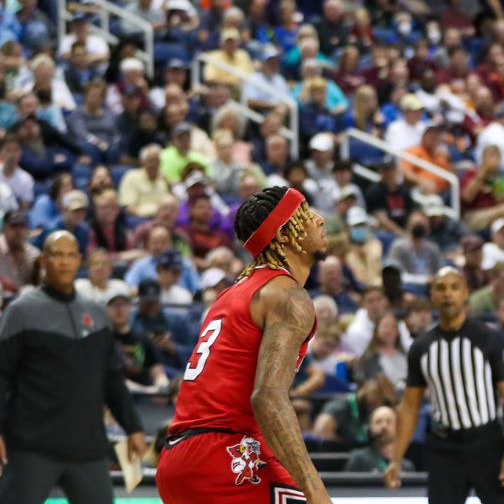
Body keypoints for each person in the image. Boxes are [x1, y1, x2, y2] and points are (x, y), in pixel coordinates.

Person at [154, 186, 335, 504]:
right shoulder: (286, 296)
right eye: (305, 213)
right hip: (224, 452)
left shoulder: (235, 292)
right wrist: (316, 490)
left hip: (178, 457)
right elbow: (267, 398)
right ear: (282, 236)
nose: (319, 219)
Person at [0, 231, 147, 504]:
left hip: (87, 448)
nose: (65, 262)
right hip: (33, 446)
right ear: (43, 260)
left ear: (79, 260)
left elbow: (112, 378)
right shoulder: (21, 311)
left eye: (71, 255)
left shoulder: (97, 313)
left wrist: (134, 427)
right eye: (57, 255)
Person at [386, 268, 504, 504]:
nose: (447, 294)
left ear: (466, 293)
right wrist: (396, 459)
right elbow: (410, 406)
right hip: (444, 448)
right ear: (432, 296)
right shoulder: (421, 347)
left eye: (454, 287)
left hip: (487, 443)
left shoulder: (490, 339)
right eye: (440, 288)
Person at [344, 405, 414, 474]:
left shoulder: (407, 466)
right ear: (370, 428)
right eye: (378, 422)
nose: (384, 426)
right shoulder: (358, 459)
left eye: (389, 421)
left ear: (398, 428)